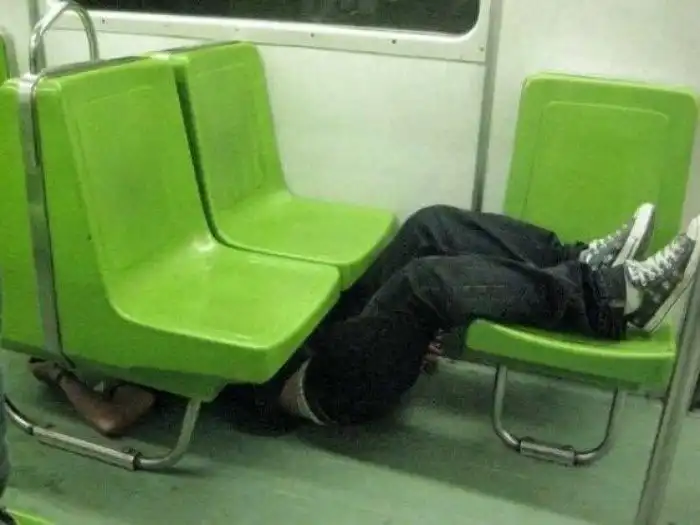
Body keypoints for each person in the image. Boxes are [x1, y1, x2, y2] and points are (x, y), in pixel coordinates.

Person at [28, 203, 700, 432]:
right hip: (318, 385)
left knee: (429, 225)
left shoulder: (173, 269)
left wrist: (387, 334)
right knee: (425, 283)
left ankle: (576, 259)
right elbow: (113, 419)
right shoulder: (138, 347)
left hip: (323, 333)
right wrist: (61, 376)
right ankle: (611, 300)